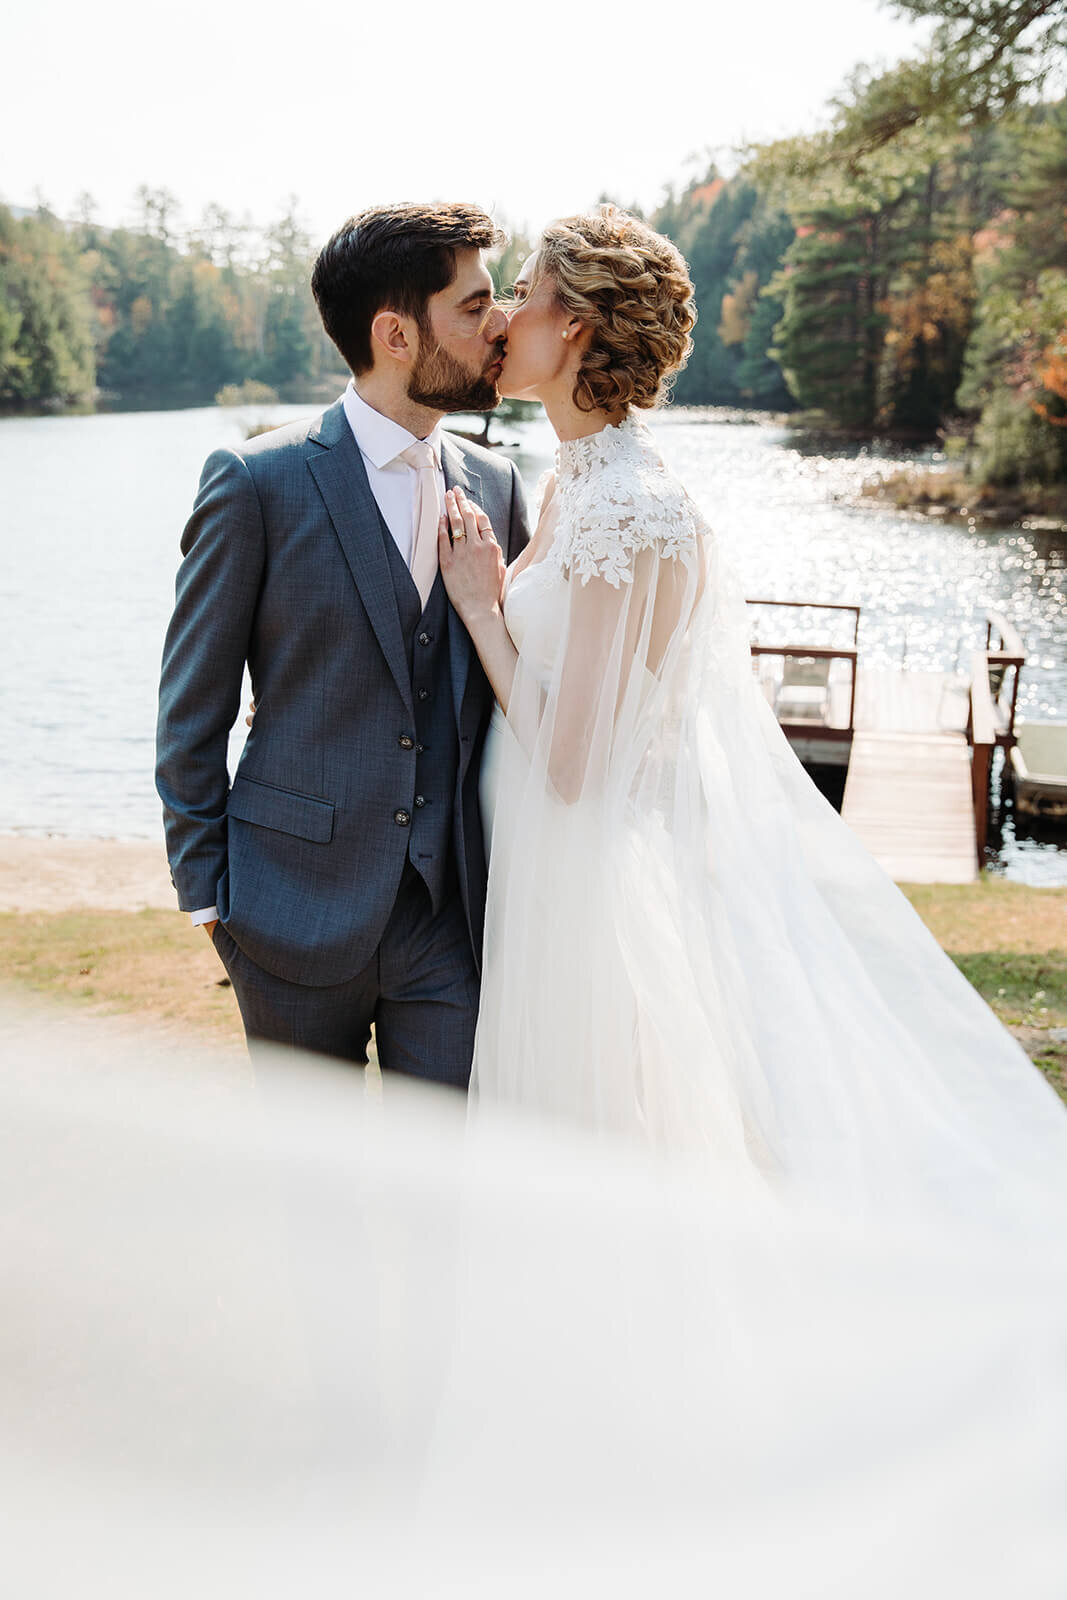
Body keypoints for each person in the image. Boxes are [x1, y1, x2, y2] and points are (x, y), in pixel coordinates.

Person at [438, 205, 1067, 1229]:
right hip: (536, 875)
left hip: (585, 898)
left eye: (522, 293)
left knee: (601, 1196)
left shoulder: (629, 508)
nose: (502, 316)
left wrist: (477, 605)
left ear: (580, 327)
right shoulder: (571, 488)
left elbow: (570, 763)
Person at [156, 202, 529, 1085]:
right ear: (396, 333)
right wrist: (210, 899)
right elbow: (191, 711)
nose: (500, 326)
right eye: (473, 308)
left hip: (448, 925)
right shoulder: (256, 482)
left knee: (441, 1191)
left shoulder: (501, 484)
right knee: (309, 1203)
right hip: (285, 913)